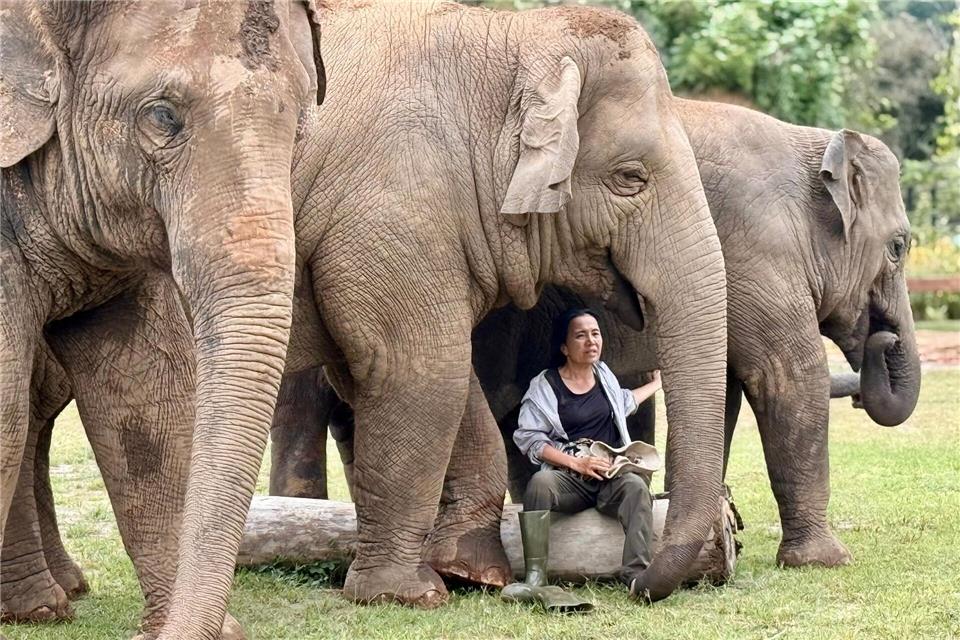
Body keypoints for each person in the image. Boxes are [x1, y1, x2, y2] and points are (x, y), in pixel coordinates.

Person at [505, 308, 662, 606]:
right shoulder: (545, 386)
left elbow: (624, 402)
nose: (591, 341)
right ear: (564, 347)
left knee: (636, 487)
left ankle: (636, 576)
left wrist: (657, 384)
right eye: (581, 335)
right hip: (571, 478)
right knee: (540, 482)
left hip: (610, 477)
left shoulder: (604, 375)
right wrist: (577, 463)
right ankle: (535, 578)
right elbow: (531, 439)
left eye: (596, 333)